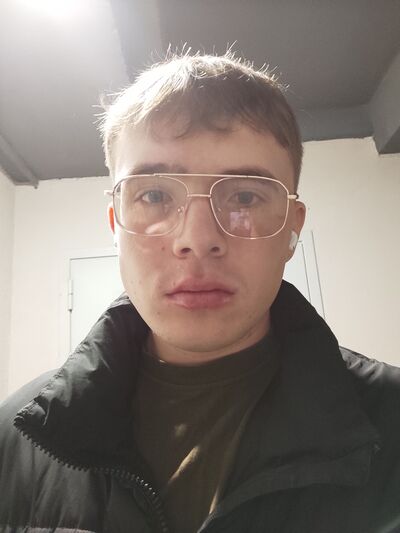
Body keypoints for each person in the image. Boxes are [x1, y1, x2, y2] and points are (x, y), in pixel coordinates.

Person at [0, 52, 399, 533]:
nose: (196, 238)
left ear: (291, 229)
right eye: (154, 195)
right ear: (115, 225)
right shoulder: (16, 437)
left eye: (245, 196)